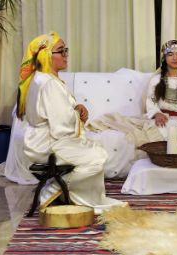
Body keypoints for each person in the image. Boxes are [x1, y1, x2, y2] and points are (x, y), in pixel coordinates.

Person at [17, 31, 126, 214]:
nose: (66, 55)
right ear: (46, 55)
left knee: (96, 150)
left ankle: (76, 196)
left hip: (43, 139)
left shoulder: (45, 79)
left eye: (66, 50)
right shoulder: (48, 83)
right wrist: (77, 114)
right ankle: (53, 191)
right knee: (97, 157)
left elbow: (58, 110)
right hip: (48, 143)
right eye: (61, 51)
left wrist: (76, 107)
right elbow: (61, 124)